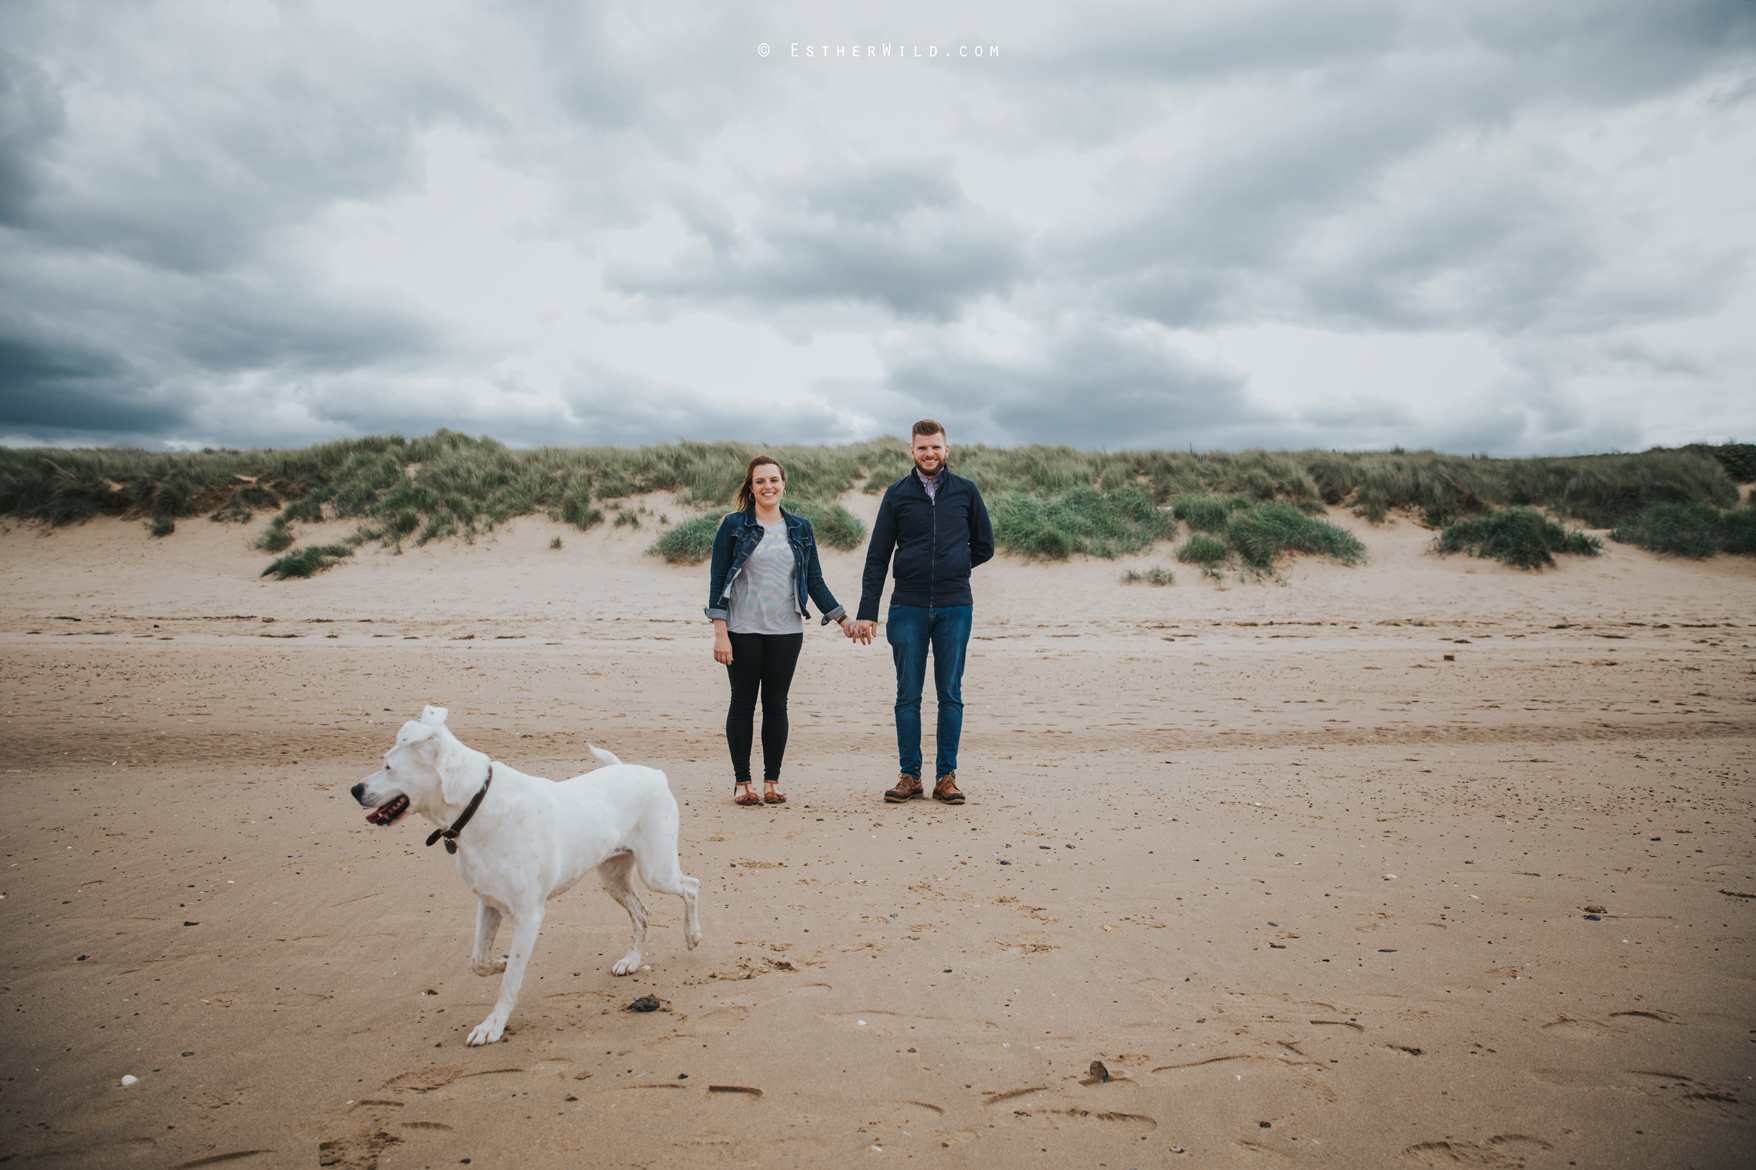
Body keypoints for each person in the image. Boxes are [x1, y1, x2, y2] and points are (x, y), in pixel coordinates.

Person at [849, 420, 994, 804]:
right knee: (907, 694)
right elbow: (878, 556)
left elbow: (984, 545)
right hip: (907, 606)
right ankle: (910, 776)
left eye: (936, 447)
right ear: (912, 452)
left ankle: (946, 777)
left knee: (950, 692)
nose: (929, 454)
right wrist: (868, 612)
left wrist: (954, 566)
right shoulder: (897, 494)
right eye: (922, 448)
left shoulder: (966, 491)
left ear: (946, 450)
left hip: (955, 605)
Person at [705, 455, 851, 807]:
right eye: (760, 481)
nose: (768, 486)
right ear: (751, 488)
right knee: (742, 704)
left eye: (774, 480)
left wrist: (843, 619)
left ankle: (772, 782)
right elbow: (717, 583)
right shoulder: (733, 525)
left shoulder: (800, 528)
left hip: (787, 630)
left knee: (776, 705)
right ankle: (743, 783)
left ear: (783, 483)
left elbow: (814, 580)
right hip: (742, 629)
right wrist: (720, 633)